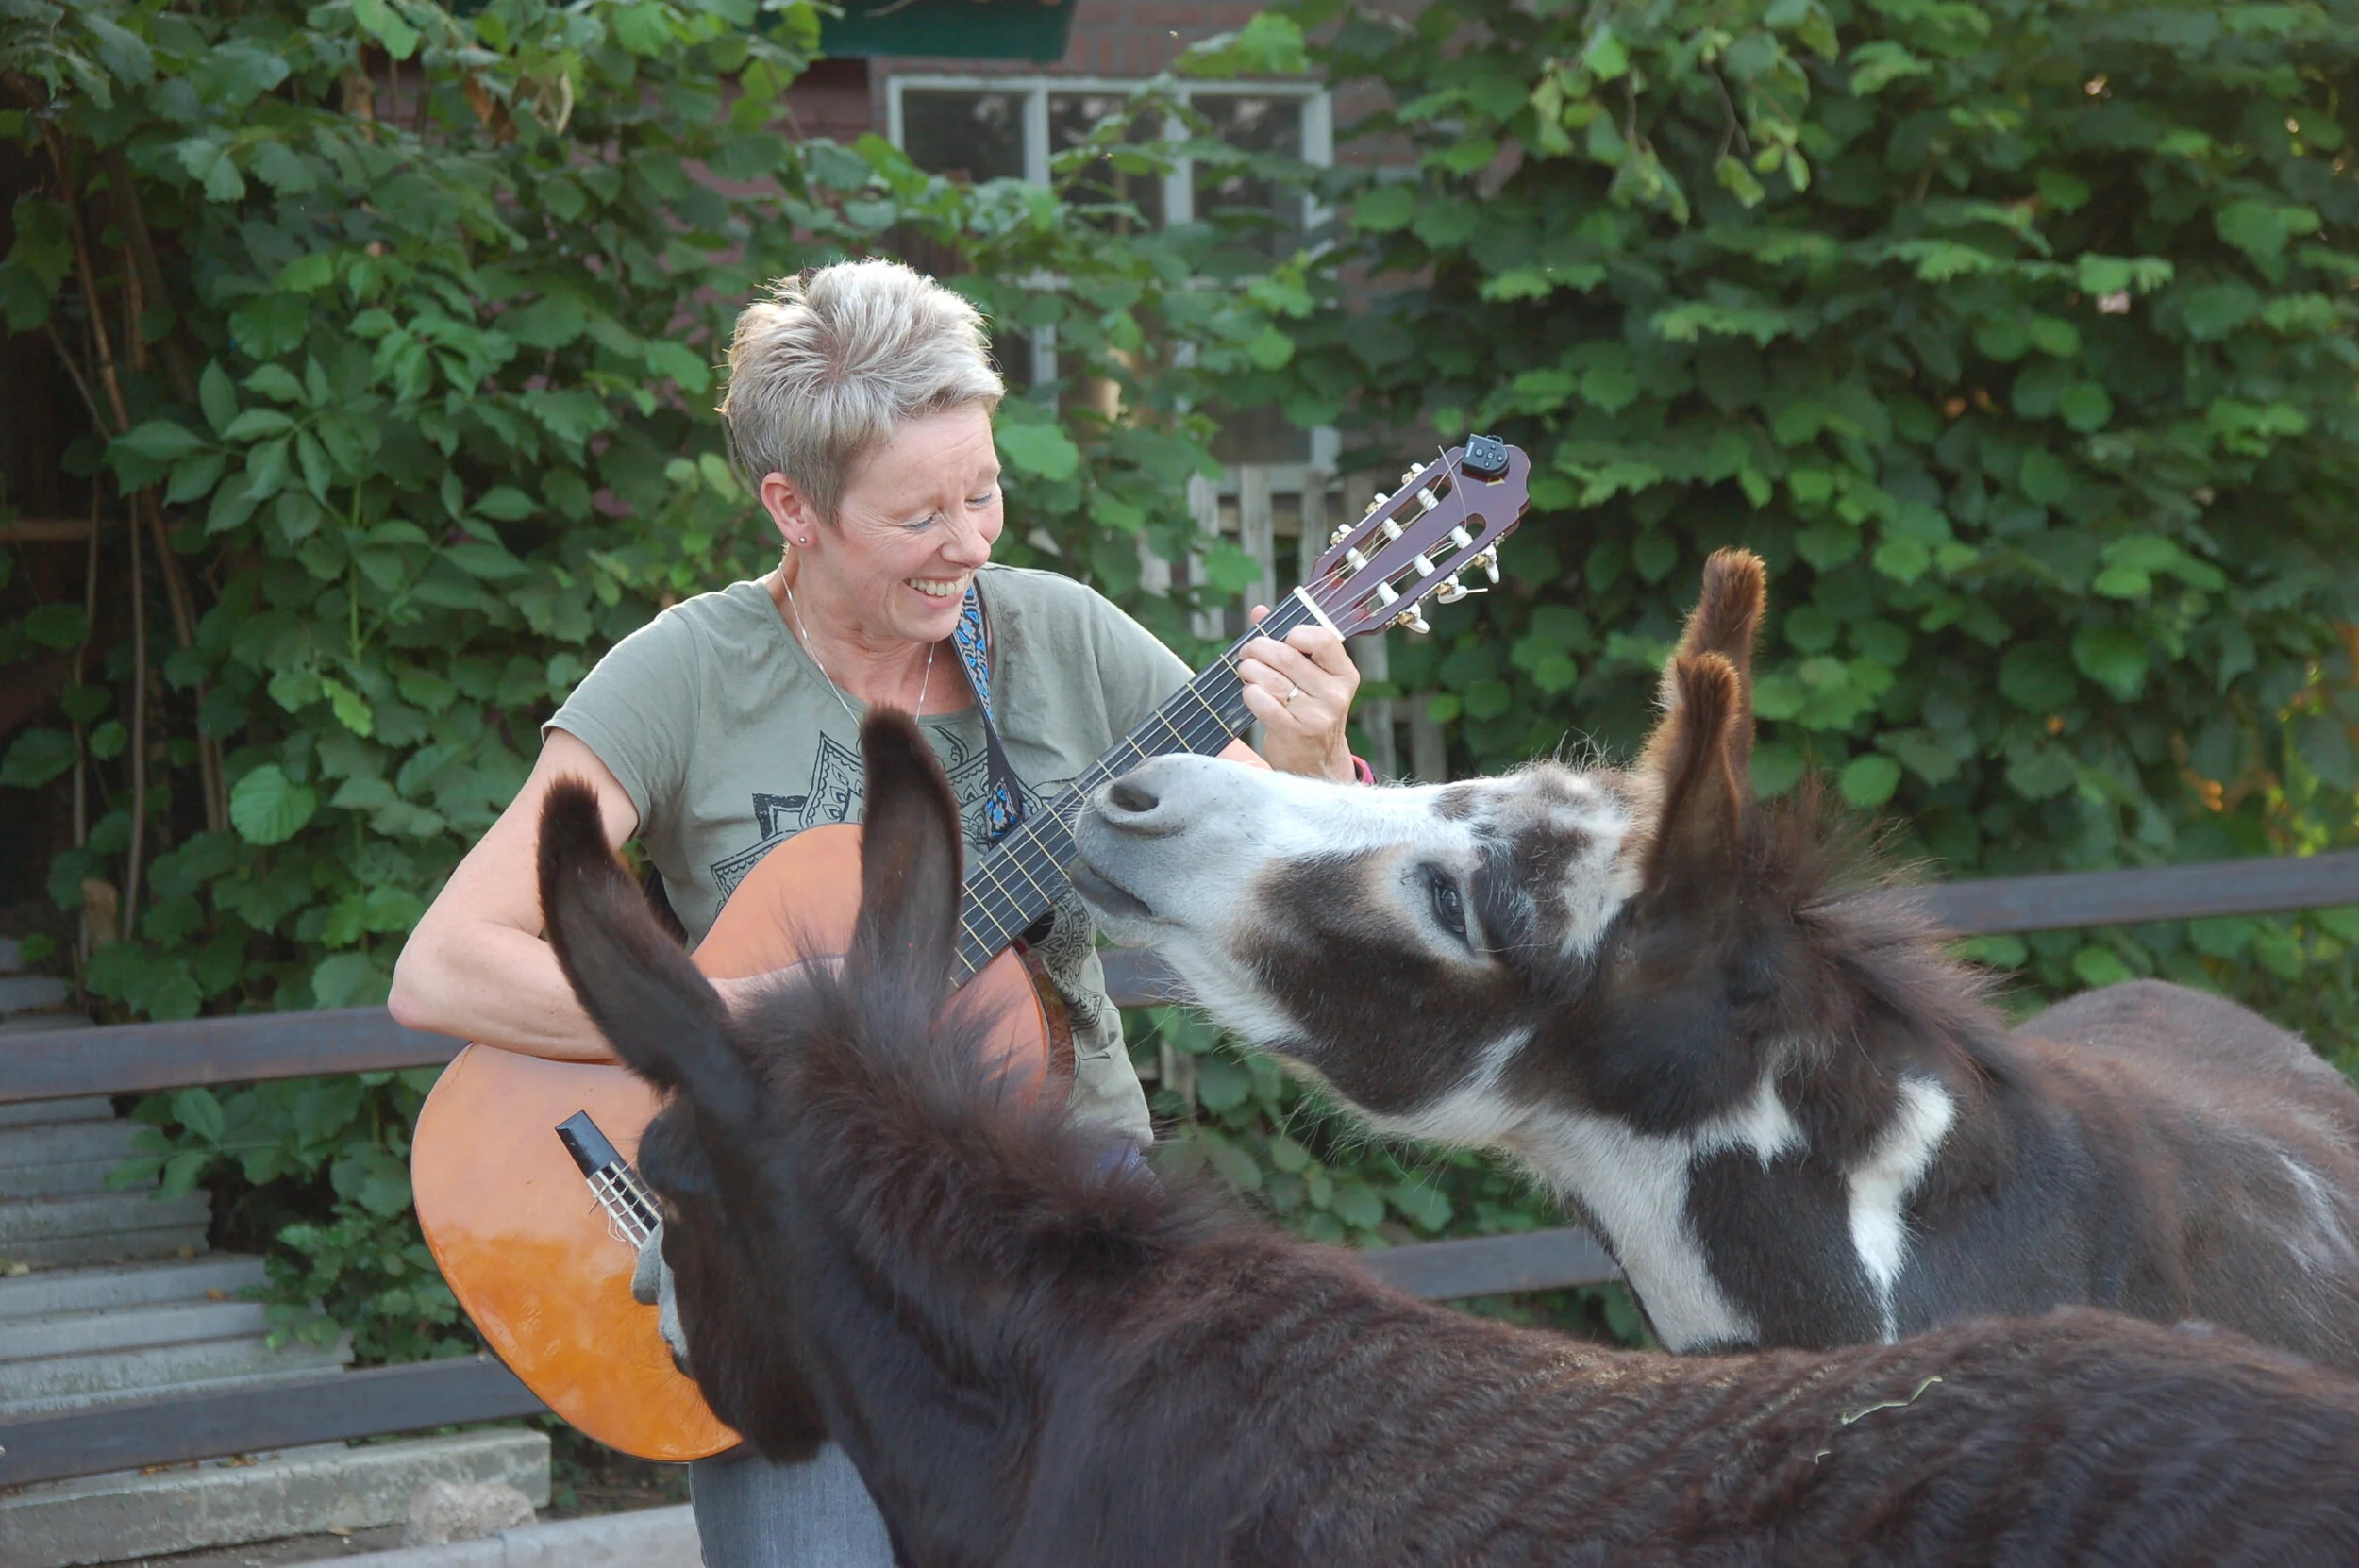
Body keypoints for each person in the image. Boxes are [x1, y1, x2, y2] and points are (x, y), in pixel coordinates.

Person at [389, 258, 1364, 1565]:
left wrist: (1317, 768)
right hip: (787, 1247)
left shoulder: (1058, 640)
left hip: (1056, 1221)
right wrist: (749, 1021)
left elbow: (1299, 892)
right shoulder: (685, 672)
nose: (971, 540)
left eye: (985, 490)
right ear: (793, 505)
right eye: (920, 516)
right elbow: (443, 966)